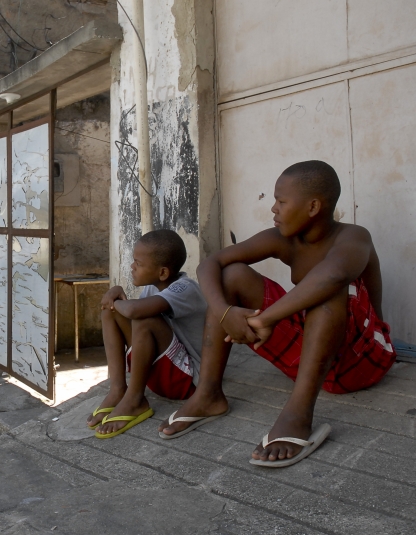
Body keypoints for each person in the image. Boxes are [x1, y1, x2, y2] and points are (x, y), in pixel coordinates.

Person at [158, 160, 397, 467]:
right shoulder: (283, 238)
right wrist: (225, 311)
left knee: (331, 287)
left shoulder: (353, 237)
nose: (273, 209)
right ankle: (208, 396)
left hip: (361, 359)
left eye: (281, 202)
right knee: (232, 275)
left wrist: (262, 320)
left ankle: (297, 415)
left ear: (313, 207)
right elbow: (211, 263)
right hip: (314, 355)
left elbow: (334, 276)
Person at [87, 229, 207, 439]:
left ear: (162, 273)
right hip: (165, 371)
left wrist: (115, 298)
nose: (132, 267)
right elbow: (129, 310)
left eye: (138, 263)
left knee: (144, 320)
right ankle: (118, 390)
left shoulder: (185, 289)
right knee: (110, 313)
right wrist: (115, 301)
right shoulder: (153, 289)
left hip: (189, 381)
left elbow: (134, 311)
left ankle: (135, 400)